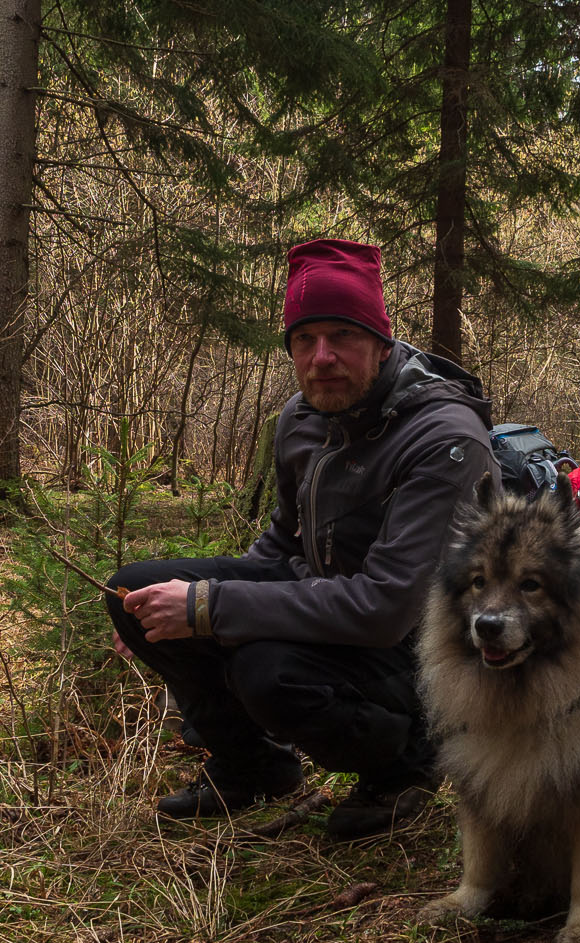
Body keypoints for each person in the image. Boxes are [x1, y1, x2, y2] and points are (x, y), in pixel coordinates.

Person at [107, 239, 496, 840]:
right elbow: (286, 545)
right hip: (339, 609)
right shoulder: (302, 418)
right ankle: (253, 766)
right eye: (304, 339)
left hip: (424, 648)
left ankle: (405, 763)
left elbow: (388, 608)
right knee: (133, 586)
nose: (322, 358)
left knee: (270, 672)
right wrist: (167, 609)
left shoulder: (444, 439)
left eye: (343, 335)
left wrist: (209, 607)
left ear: (381, 342)